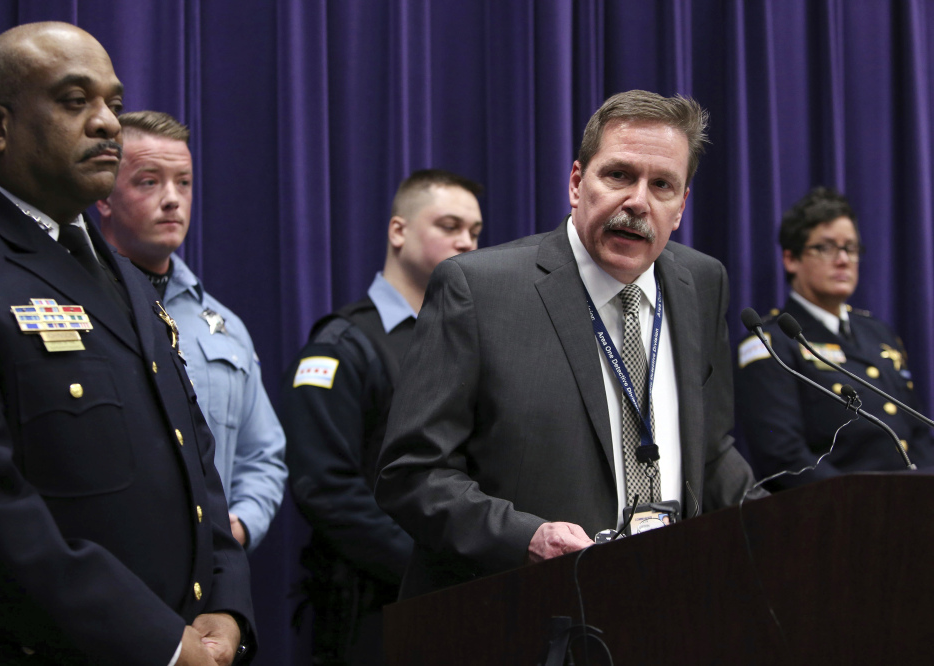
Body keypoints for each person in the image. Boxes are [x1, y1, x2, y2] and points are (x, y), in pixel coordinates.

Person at [0, 22, 253, 665]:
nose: (108, 122)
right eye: (75, 101)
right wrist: (160, 642)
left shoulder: (125, 276)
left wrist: (225, 602)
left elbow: (193, 453)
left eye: (111, 101)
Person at [375, 90, 761, 598]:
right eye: (619, 175)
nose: (638, 202)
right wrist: (526, 538)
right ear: (578, 183)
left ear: (682, 204)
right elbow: (411, 474)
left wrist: (782, 520)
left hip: (669, 604)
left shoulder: (701, 282)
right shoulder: (478, 289)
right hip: (519, 611)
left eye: (662, 185)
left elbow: (709, 449)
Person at [279, 170, 483, 663]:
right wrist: (425, 565)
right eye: (450, 226)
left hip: (462, 604)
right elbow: (324, 488)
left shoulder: (471, 339)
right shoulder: (342, 347)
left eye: (475, 232)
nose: (467, 243)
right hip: (370, 611)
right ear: (399, 232)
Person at [96, 110, 287, 551]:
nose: (172, 199)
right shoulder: (73, 306)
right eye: (149, 181)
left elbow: (263, 456)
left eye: (183, 182)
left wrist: (237, 529)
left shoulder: (223, 327)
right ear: (104, 195)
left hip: (211, 578)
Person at [736, 187, 933, 488]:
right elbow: (784, 457)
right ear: (791, 258)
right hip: (840, 516)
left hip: (911, 508)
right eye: (826, 248)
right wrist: (861, 507)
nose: (843, 260)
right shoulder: (770, 344)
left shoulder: (879, 333)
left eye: (851, 248)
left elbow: (918, 431)